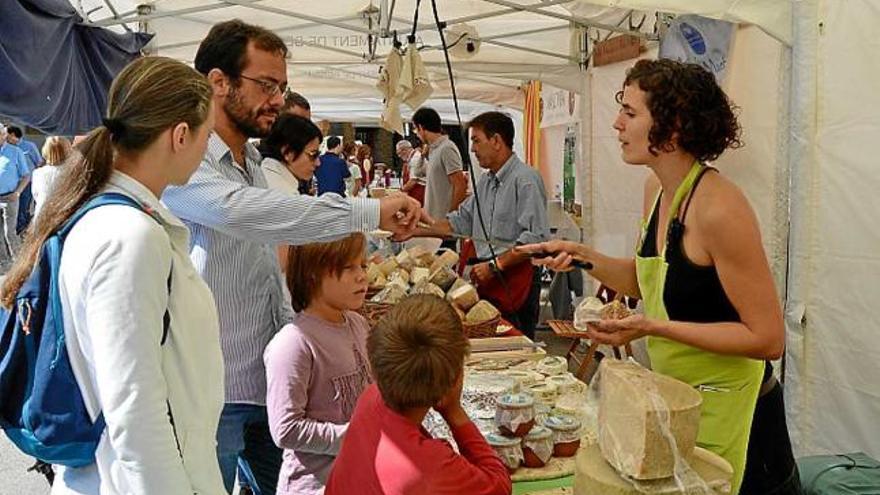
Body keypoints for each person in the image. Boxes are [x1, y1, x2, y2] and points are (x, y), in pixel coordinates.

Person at [160, 19, 424, 495]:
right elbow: (242, 213)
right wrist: (367, 211)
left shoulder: (254, 163)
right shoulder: (186, 160)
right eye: (265, 85)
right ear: (218, 83)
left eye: (281, 87)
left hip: (263, 378)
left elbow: (265, 259)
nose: (278, 100)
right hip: (212, 391)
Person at [523, 59, 799, 495]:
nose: (616, 123)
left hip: (738, 413)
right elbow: (651, 279)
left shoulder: (721, 208)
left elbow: (768, 339)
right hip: (677, 400)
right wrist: (582, 256)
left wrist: (651, 326)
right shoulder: (656, 191)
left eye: (630, 113)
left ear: (673, 126)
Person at [1, 56, 223, 494]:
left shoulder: (120, 222)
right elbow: (135, 414)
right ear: (181, 135)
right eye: (207, 136)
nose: (206, 149)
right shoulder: (129, 236)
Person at [325, 295, 512, 495]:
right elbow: (499, 486)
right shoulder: (432, 465)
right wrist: (454, 412)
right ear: (455, 379)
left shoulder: (371, 398)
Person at [414, 111, 549, 338]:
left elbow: (535, 239)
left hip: (516, 279)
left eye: (476, 140)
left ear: (496, 141)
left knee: (518, 351)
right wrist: (417, 228)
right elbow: (459, 222)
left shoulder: (525, 179)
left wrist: (494, 266)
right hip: (489, 278)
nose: (473, 149)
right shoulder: (486, 182)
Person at [264, 233, 372, 495]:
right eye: (349, 267)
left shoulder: (358, 325)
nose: (362, 276)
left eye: (363, 265)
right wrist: (352, 437)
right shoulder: (294, 343)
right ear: (313, 274)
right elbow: (286, 429)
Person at [412, 107, 468, 222]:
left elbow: (460, 186)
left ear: (421, 128)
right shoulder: (433, 150)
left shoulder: (447, 148)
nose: (417, 134)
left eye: (416, 130)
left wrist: (449, 217)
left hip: (442, 222)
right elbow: (418, 173)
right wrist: (423, 155)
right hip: (432, 219)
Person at [0, 126, 30, 263]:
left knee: (9, 232)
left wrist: (17, 192)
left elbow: (26, 176)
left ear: (4, 135)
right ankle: (4, 262)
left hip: (10, 197)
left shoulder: (15, 152)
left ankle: (18, 262)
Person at [5, 125, 41, 234]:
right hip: (11, 184)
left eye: (5, 134)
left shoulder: (29, 146)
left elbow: (38, 163)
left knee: (23, 207)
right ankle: (15, 229)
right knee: (11, 208)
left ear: (12, 135)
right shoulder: (6, 147)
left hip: (26, 183)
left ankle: (22, 229)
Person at [31, 136, 72, 221]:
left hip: (42, 216)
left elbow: (36, 195)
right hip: (66, 217)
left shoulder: (38, 173)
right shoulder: (74, 172)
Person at [397, 139, 426, 206]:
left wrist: (400, 191)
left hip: (420, 193)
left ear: (404, 150)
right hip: (414, 193)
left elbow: (413, 181)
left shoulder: (416, 158)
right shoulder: (410, 159)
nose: (399, 156)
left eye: (399, 153)